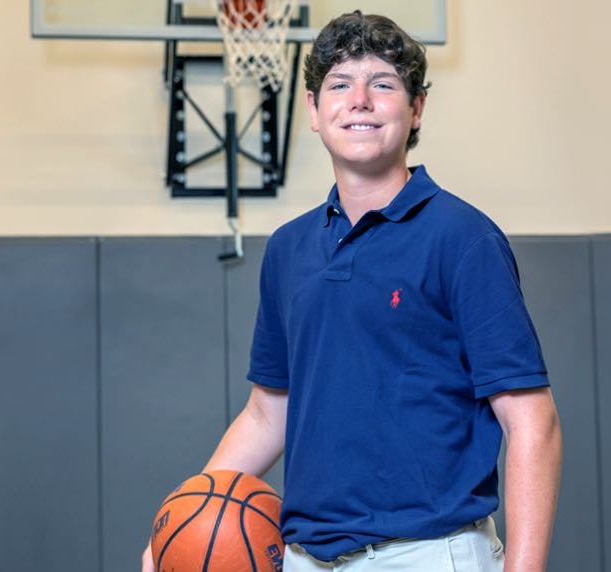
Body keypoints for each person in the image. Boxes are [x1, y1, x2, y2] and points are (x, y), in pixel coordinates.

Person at [144, 11, 561, 572]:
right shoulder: (289, 249)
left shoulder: (463, 238)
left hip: (429, 555)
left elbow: (532, 423)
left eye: (383, 84)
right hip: (304, 559)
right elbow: (269, 415)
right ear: (314, 110)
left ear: (416, 109)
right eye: (340, 84)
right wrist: (179, 527)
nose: (359, 100)